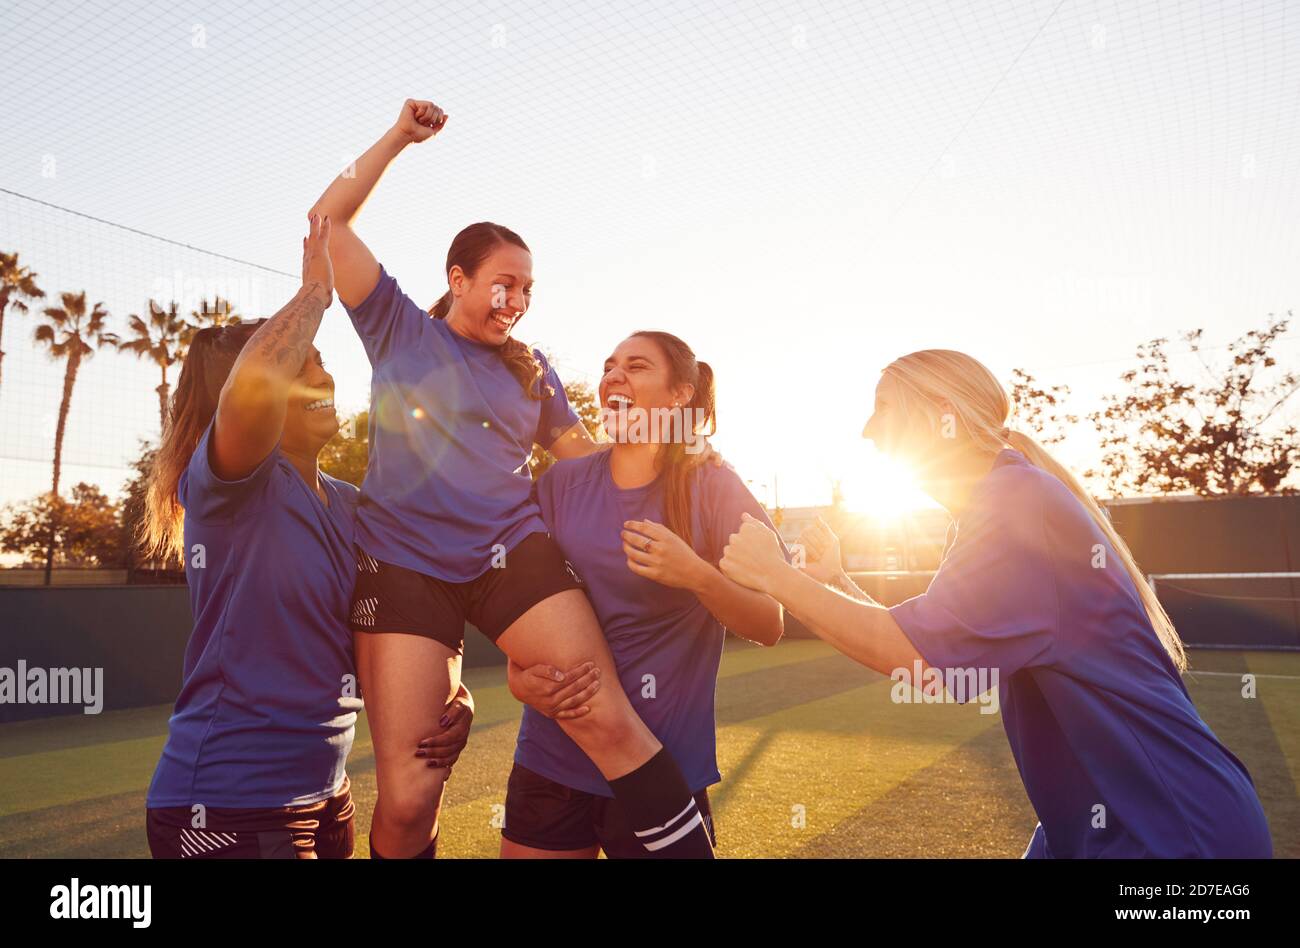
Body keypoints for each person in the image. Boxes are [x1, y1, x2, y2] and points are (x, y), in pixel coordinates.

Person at [310, 99, 716, 859]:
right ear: (458, 280)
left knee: (604, 714)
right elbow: (328, 223)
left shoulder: (534, 376)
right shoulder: (399, 328)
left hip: (511, 555)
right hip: (402, 566)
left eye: (528, 288)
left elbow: (593, 463)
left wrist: (680, 440)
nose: (518, 302)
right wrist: (399, 137)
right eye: (504, 284)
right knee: (408, 792)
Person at [718, 349, 1273, 858]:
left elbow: (914, 654)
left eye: (883, 408)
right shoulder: (1003, 499)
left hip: (1174, 836)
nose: (867, 429)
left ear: (942, 414)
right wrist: (834, 580)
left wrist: (776, 576)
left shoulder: (1014, 504)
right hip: (1094, 829)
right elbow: (948, 671)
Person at [142, 216, 472, 859]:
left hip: (327, 797)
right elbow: (249, 394)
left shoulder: (355, 508)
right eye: (302, 367)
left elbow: (408, 615)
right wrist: (318, 293)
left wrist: (450, 688)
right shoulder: (226, 491)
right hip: (225, 803)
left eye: (321, 365)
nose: (320, 380)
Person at [500, 332, 785, 858]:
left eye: (636, 366)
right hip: (550, 758)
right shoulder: (560, 483)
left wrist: (698, 576)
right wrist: (519, 676)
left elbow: (770, 623)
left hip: (661, 766)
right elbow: (515, 596)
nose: (614, 376)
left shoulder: (714, 487)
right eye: (609, 366)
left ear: (679, 395)